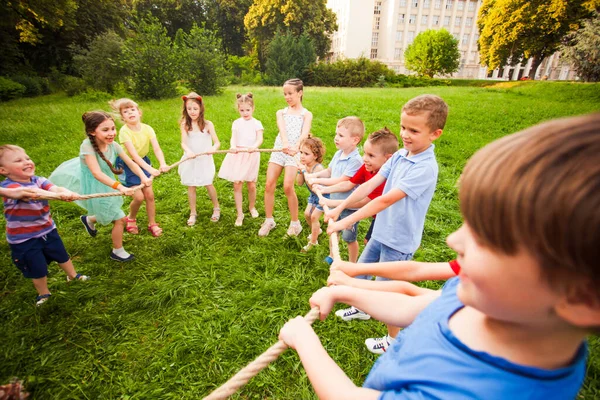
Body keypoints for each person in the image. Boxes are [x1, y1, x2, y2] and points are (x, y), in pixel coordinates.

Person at [279, 113, 600, 399]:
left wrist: (304, 339)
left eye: (488, 237)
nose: (453, 239)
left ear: (582, 298)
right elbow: (412, 300)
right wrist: (346, 289)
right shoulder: (485, 300)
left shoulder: (478, 390)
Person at [325, 95, 447, 353]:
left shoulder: (424, 167)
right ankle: (360, 309)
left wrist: (344, 220)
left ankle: (393, 342)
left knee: (388, 295)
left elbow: (384, 200)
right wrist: (339, 206)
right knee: (362, 270)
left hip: (399, 241)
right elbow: (369, 184)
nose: (405, 134)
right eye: (403, 127)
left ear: (435, 133)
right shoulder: (401, 155)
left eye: (414, 130)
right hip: (381, 232)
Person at [50, 111, 151, 262]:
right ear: (92, 132)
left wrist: (144, 177)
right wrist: (120, 187)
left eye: (112, 128)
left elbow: (130, 162)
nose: (111, 133)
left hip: (107, 181)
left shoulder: (114, 145)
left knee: (108, 210)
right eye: (105, 130)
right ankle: (117, 251)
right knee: (120, 218)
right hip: (95, 183)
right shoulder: (87, 146)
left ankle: (90, 219)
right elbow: (96, 173)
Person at [0, 145, 88, 306]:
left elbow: (54, 187)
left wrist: (65, 192)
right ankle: (44, 293)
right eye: (19, 160)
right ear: (4, 170)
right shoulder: (9, 187)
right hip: (24, 239)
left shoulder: (38, 180)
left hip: (48, 229)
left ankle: (72, 275)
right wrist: (58, 195)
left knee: (61, 254)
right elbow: (31, 194)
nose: (26, 162)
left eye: (27, 158)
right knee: (36, 266)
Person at [328, 258, 460, 353]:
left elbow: (404, 305)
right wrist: (354, 271)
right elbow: (415, 271)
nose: (452, 240)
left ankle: (391, 340)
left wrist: (347, 288)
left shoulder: (462, 304)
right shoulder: (468, 273)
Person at [316, 128, 398, 247]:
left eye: (371, 155)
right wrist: (324, 189)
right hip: (377, 214)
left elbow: (364, 202)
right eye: (364, 153)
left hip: (390, 217)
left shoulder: (385, 180)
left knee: (374, 244)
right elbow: (349, 184)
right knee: (369, 242)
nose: (364, 158)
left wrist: (332, 203)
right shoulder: (366, 167)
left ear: (388, 159)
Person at [304, 117, 365, 264]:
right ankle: (332, 255)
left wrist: (319, 183)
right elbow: (329, 171)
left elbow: (342, 181)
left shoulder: (355, 160)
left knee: (349, 238)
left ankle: (352, 263)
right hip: (333, 202)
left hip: (348, 206)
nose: (336, 138)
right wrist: (315, 175)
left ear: (355, 140)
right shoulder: (339, 154)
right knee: (333, 230)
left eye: (341, 135)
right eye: (336, 134)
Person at [259, 78, 313, 237]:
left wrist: (296, 147)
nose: (287, 97)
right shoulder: (281, 112)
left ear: (300, 93)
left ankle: (295, 224)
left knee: (288, 186)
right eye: (285, 94)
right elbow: (282, 130)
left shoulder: (306, 114)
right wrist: (284, 143)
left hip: (295, 152)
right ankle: (269, 220)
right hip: (280, 149)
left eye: (290, 93)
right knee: (269, 184)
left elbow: (304, 133)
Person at [109, 98, 169, 237]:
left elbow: (157, 148)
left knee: (149, 195)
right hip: (128, 165)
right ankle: (131, 218)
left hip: (143, 161)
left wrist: (162, 163)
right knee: (138, 197)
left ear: (139, 112)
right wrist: (149, 169)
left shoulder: (148, 129)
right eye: (126, 111)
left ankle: (152, 223)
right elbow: (133, 156)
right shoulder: (124, 132)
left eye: (132, 109)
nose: (130, 112)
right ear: (122, 117)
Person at [218, 93, 264, 227]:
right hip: (238, 153)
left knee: (251, 184)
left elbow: (260, 138)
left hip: (251, 154)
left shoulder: (257, 123)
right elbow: (233, 137)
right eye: (242, 110)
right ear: (238, 109)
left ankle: (251, 207)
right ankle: (239, 214)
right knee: (237, 184)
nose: (245, 113)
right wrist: (232, 146)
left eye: (247, 110)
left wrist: (254, 147)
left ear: (253, 108)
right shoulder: (236, 123)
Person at [178, 92, 221, 226]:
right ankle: (193, 212)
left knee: (208, 183)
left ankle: (216, 208)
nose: (192, 111)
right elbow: (183, 143)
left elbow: (217, 142)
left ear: (201, 109)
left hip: (204, 160)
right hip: (190, 159)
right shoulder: (185, 124)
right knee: (191, 185)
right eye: (189, 109)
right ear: (186, 109)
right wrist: (189, 151)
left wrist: (213, 149)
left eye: (195, 108)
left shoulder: (208, 124)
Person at [295, 135, 326, 252]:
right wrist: (300, 172)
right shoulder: (305, 166)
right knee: (307, 214)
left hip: (324, 195)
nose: (302, 156)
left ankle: (313, 242)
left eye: (306, 154)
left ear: (315, 156)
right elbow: (299, 183)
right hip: (314, 196)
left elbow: (315, 187)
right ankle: (316, 231)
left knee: (313, 216)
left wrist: (304, 171)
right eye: (301, 152)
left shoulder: (318, 169)